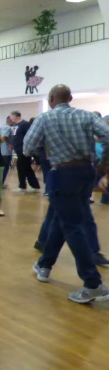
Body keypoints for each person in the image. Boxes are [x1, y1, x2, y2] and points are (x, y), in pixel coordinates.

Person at [26, 85, 109, 303]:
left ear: (51, 98)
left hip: (62, 174)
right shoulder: (86, 115)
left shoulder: (45, 119)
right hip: (86, 173)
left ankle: (93, 284)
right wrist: (102, 167)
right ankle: (45, 265)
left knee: (71, 226)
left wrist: (46, 145)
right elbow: (108, 135)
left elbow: (27, 147)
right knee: (61, 220)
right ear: (70, 98)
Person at [10, 110, 40, 193]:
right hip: (17, 149)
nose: (10, 118)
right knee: (27, 168)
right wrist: (11, 144)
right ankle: (35, 185)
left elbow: (30, 136)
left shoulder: (25, 124)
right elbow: (14, 136)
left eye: (11, 116)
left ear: (16, 116)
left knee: (21, 167)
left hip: (24, 150)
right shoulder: (15, 125)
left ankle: (22, 186)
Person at [0, 116, 14, 186]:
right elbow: (3, 137)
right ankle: (0, 183)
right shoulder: (8, 128)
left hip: (0, 151)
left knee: (1, 168)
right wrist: (9, 143)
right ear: (10, 121)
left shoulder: (1, 127)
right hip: (6, 151)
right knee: (5, 168)